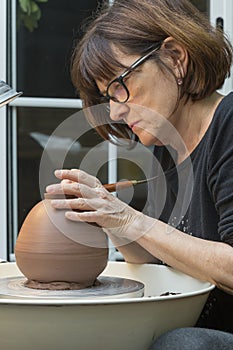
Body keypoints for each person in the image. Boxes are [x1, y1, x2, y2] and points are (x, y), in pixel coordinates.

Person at [46, 0, 233, 348]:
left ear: (175, 58)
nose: (115, 110)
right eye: (106, 96)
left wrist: (131, 219)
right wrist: (107, 218)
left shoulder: (229, 126)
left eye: (120, 84)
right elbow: (153, 259)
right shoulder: (166, 150)